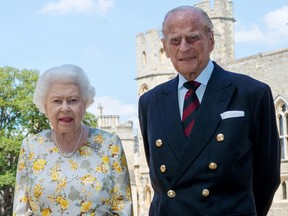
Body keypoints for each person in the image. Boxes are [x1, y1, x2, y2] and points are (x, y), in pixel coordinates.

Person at [138, 5, 280, 216]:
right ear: (165, 48)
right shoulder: (150, 101)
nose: (184, 48)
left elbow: (267, 176)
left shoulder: (252, 93)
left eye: (193, 38)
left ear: (211, 40)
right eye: (175, 40)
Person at [13, 64, 133, 215]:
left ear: (84, 104)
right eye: (56, 101)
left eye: (73, 100)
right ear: (45, 107)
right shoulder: (31, 146)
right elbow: (20, 210)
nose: (65, 108)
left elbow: (123, 208)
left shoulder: (109, 145)